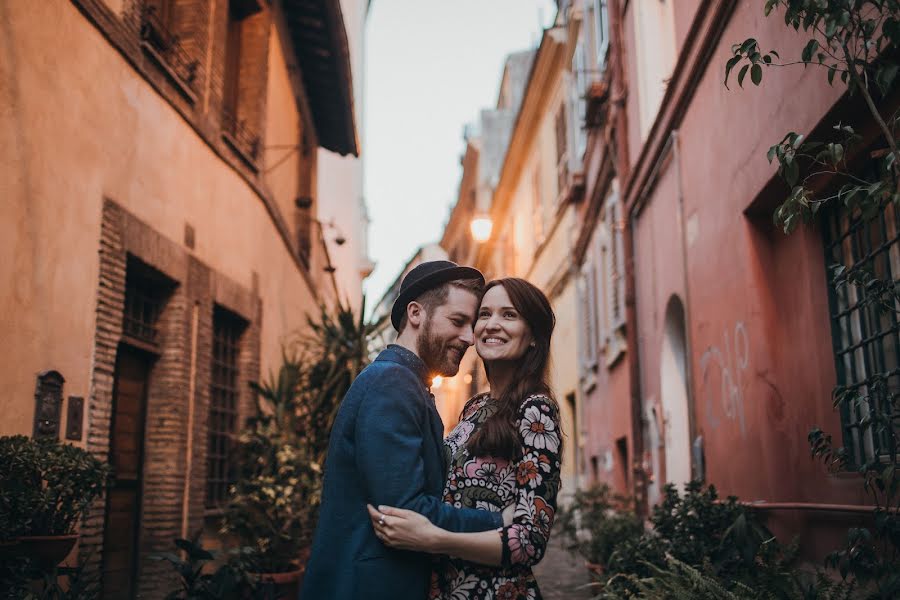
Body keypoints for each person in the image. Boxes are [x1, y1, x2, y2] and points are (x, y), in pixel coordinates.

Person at [301, 261, 514, 600]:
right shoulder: (392, 383)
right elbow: (406, 510)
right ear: (415, 313)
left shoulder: (406, 383)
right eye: (458, 321)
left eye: (470, 325)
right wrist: (497, 521)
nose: (468, 338)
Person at [367, 277, 562, 600]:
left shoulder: (535, 410)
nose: (491, 325)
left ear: (533, 339)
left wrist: (433, 539)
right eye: (484, 315)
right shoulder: (474, 408)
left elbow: (529, 542)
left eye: (509, 315)